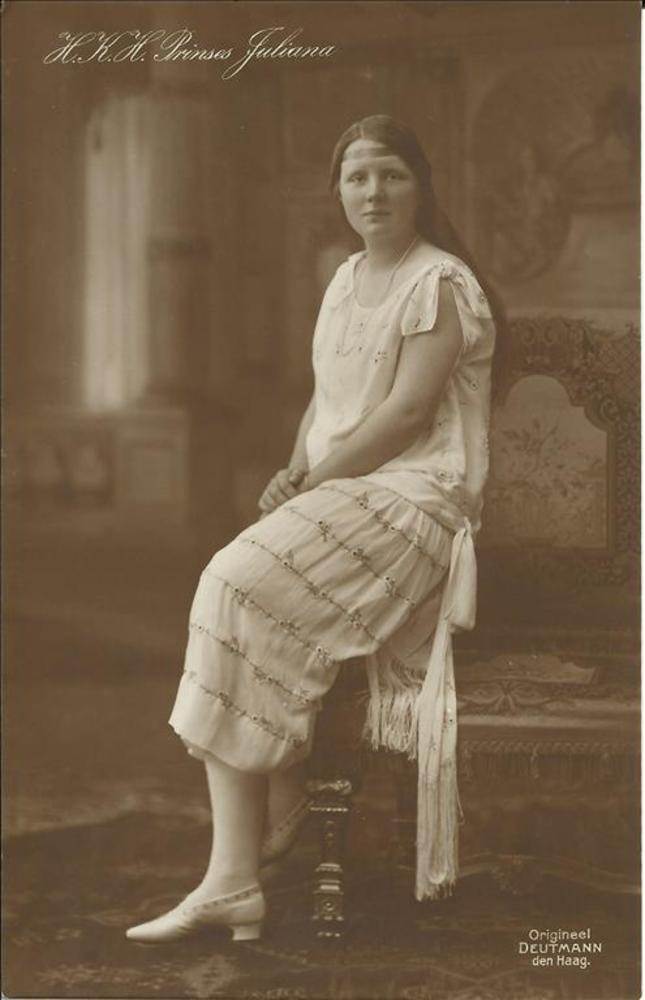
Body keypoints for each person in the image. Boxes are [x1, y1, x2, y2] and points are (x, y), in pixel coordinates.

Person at [126, 114, 497, 945]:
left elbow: (406, 414)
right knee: (232, 591)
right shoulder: (343, 277)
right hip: (344, 491)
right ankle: (239, 867)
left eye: (391, 174)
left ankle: (252, 845)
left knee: (232, 581)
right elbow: (325, 401)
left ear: (420, 186)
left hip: (413, 503)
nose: (373, 192)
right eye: (357, 177)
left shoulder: (439, 282)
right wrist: (295, 471)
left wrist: (316, 481)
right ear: (337, 191)